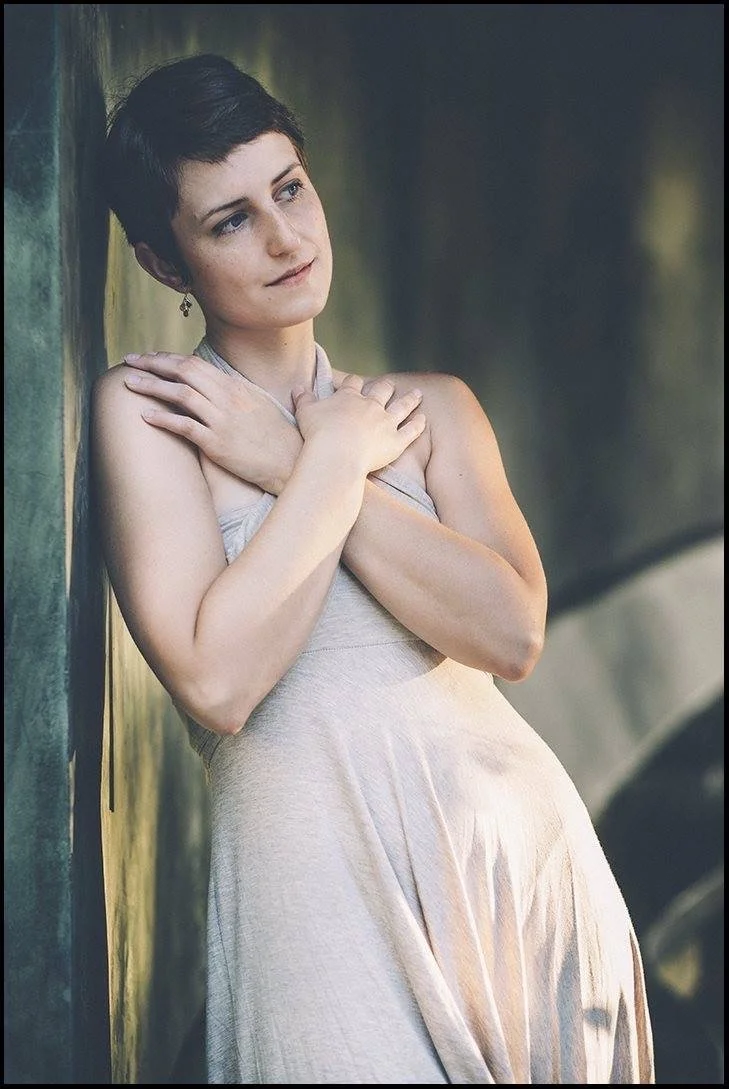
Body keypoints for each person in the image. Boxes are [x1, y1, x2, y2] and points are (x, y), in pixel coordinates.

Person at [92, 52, 655, 1084]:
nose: (284, 236)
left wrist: (290, 459)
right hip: (315, 889)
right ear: (164, 266)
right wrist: (336, 461)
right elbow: (218, 682)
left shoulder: (431, 410)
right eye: (229, 221)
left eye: (290, 189)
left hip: (516, 871)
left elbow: (511, 634)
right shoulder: (153, 415)